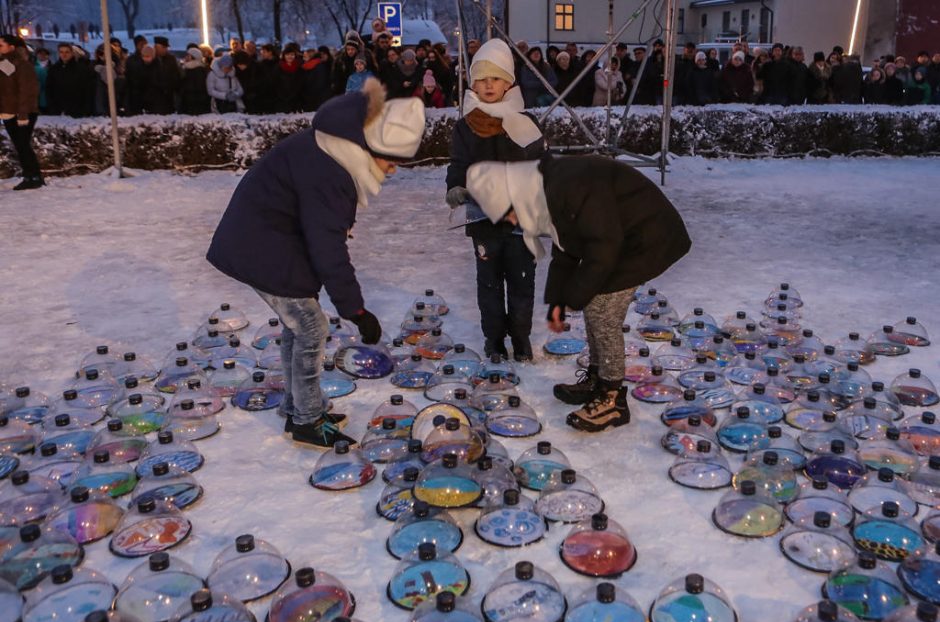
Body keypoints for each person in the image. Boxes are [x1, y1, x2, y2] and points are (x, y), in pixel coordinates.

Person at [206, 79, 425, 447]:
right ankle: (306, 420)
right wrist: (356, 311)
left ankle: (298, 406)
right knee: (311, 327)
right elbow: (328, 247)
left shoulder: (330, 152)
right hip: (261, 249)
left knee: (299, 327)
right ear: (369, 146)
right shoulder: (331, 171)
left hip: (268, 244)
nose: (393, 170)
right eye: (391, 160)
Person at [466, 154, 690, 431]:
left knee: (602, 309)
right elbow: (566, 249)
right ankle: (597, 378)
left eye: (509, 214)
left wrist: (576, 297)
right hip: (620, 238)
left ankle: (612, 399)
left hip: (649, 238)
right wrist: (558, 301)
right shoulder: (542, 189)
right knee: (594, 303)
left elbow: (602, 248)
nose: (513, 221)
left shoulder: (567, 188)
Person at [445, 38, 546, 361]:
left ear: (509, 83)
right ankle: (494, 339)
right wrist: (455, 187)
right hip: (483, 219)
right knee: (488, 285)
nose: (488, 85)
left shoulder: (525, 122)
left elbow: (542, 165)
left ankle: (520, 338)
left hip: (520, 220)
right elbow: (459, 164)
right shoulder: (465, 126)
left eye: (496, 78)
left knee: (521, 282)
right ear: (472, 82)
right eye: (482, 79)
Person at [0, 34, 42, 190]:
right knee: (20, 145)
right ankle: (32, 175)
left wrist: (23, 113)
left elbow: (27, 90)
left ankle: (33, 176)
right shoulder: (4, 63)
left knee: (23, 145)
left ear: (11, 47)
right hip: (9, 111)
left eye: (1, 45)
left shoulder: (21, 64)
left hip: (22, 112)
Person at [46, 42, 95, 117]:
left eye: (67, 52)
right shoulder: (54, 69)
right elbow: (49, 88)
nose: (64, 54)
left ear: (72, 53)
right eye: (61, 52)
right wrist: (52, 106)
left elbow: (87, 90)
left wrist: (86, 109)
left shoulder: (82, 69)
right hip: (59, 109)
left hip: (78, 109)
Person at [151, 36, 179, 114]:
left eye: (166, 48)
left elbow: (175, 75)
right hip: (155, 97)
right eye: (163, 47)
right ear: (156, 47)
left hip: (169, 96)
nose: (165, 50)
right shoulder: (151, 59)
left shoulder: (171, 59)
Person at [34, 48, 50, 113]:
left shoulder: (53, 67)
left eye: (45, 54)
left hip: (50, 98)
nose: (42, 55)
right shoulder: (32, 67)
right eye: (40, 54)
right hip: (37, 98)